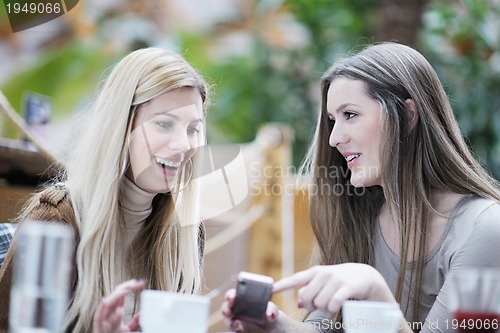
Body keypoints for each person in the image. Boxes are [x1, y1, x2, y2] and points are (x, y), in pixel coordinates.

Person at [222, 42, 500, 333]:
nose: (334, 138)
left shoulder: (485, 229)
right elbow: (325, 329)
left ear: (407, 116)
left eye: (350, 115)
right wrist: (273, 325)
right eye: (332, 121)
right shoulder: (357, 214)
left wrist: (375, 294)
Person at [0, 47, 210, 333]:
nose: (184, 145)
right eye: (164, 124)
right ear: (121, 126)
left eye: (192, 129)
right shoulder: (57, 220)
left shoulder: (185, 235)